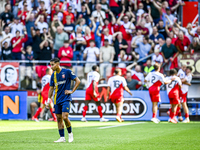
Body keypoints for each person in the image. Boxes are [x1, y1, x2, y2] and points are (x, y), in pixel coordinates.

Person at [47, 58, 80, 143]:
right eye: (50, 65)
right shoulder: (53, 75)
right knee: (59, 118)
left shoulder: (67, 72)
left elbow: (78, 81)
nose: (51, 67)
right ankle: (62, 137)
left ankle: (70, 133)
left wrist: (72, 91)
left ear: (58, 64)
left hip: (66, 98)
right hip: (56, 99)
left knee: (65, 117)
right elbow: (51, 88)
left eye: (52, 64)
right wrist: (48, 100)